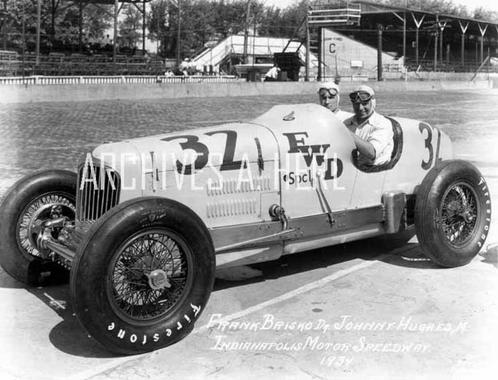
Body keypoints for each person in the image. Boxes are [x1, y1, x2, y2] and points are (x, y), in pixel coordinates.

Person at [343, 85, 393, 166]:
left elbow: (371, 153)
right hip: (352, 170)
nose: (360, 108)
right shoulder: (346, 123)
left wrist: (345, 132)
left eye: (364, 104)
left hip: (375, 171)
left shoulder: (382, 123)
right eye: (356, 104)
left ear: (372, 102)